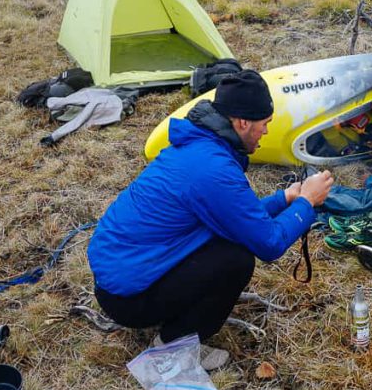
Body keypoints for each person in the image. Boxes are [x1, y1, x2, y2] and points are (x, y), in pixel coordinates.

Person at [87, 70, 334, 370]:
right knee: (236, 260)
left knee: (227, 239)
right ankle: (171, 348)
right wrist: (308, 203)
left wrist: (285, 199)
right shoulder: (212, 170)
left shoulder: (202, 147)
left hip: (120, 275)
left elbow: (235, 215)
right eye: (264, 124)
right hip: (128, 297)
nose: (266, 132)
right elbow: (269, 244)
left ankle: (172, 317)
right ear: (243, 122)